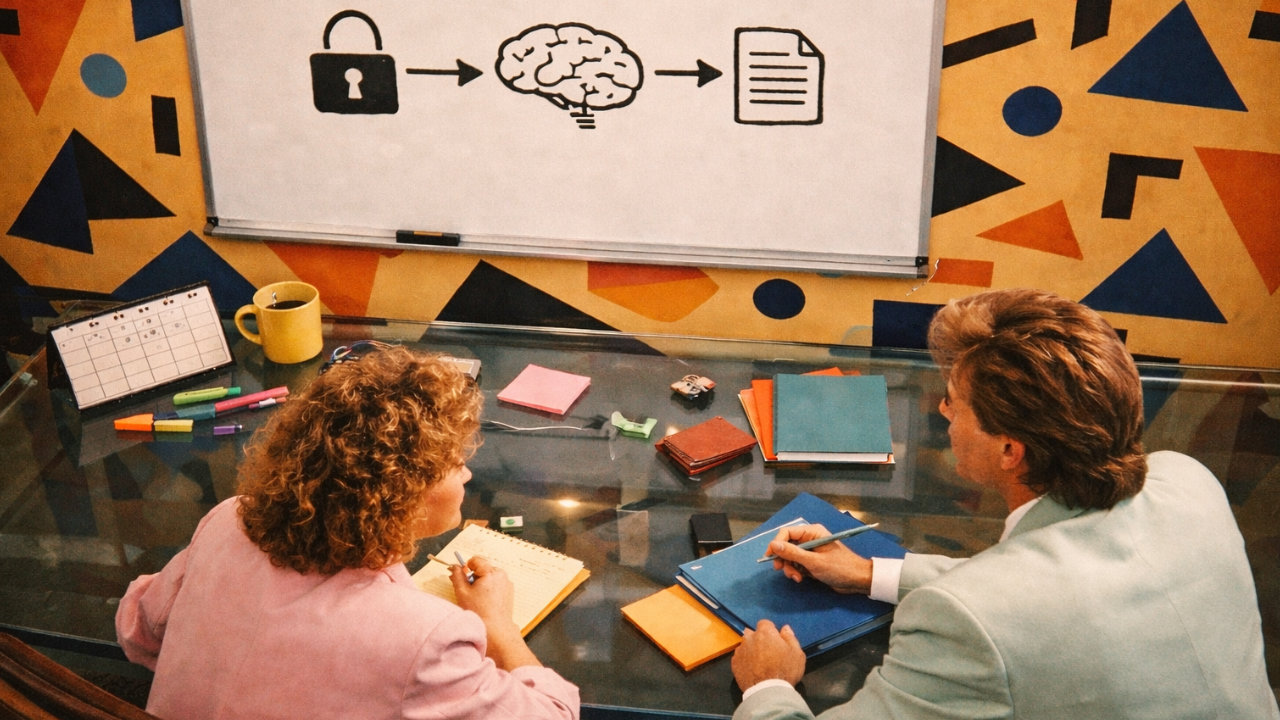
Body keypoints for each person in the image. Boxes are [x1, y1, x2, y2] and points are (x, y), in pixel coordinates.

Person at [731, 288, 1279, 719]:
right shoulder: (1188, 480)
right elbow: (1061, 582)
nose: (943, 410)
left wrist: (769, 685)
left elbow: (1003, 609)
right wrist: (872, 573)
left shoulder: (964, 624)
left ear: (1011, 450)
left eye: (955, 400)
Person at [116, 346, 579, 720]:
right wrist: (496, 623)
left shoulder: (228, 518)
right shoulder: (430, 639)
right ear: (403, 492)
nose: (467, 476)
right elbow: (553, 714)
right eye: (454, 462)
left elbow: (137, 631)